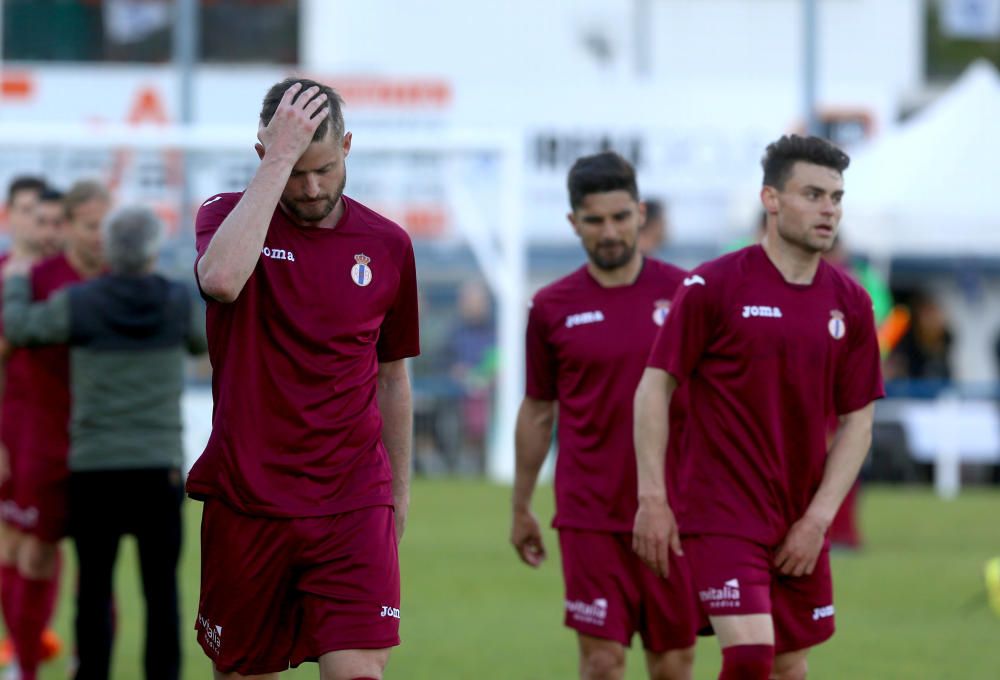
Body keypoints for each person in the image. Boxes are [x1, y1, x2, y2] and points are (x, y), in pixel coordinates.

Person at [189, 78, 419, 680]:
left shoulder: (389, 245)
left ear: (347, 145)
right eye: (296, 172)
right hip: (249, 499)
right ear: (265, 155)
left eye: (325, 168)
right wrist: (277, 163)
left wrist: (396, 490)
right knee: (244, 673)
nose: (312, 188)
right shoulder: (225, 217)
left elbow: (392, 377)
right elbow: (220, 281)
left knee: (360, 673)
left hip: (353, 498)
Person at [632, 135, 883, 680]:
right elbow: (654, 388)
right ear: (771, 199)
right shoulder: (713, 285)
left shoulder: (851, 302)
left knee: (790, 667)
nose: (829, 210)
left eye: (836, 197)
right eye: (813, 194)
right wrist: (652, 497)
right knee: (749, 659)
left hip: (798, 516)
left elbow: (859, 422)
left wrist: (818, 520)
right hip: (720, 512)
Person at [511, 151, 697, 680]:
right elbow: (538, 410)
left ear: (641, 214)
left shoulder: (687, 295)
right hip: (589, 511)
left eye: (620, 217)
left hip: (676, 510)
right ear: (574, 223)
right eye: (594, 220)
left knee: (673, 664)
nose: (609, 231)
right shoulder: (551, 306)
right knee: (601, 662)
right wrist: (522, 504)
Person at [2, 205, 207, 680]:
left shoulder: (81, 301)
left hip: (95, 469)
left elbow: (22, 328)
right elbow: (201, 343)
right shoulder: (175, 301)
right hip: (159, 468)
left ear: (108, 251)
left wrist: (16, 277)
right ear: (153, 250)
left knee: (92, 589)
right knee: (162, 593)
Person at [0, 178, 109, 680]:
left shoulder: (115, 277)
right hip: (35, 437)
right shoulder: (28, 279)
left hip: (101, 442)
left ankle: (86, 663)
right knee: (30, 550)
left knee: (97, 564)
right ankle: (25, 663)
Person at [0, 175, 63, 673]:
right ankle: (25, 657)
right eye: (23, 210)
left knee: (60, 545)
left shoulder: (69, 275)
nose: (32, 222)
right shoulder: (8, 276)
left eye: (40, 213)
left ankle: (41, 652)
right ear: (11, 215)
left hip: (69, 429)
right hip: (18, 428)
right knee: (15, 543)